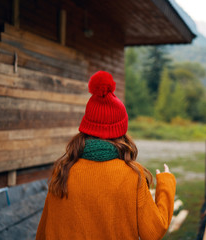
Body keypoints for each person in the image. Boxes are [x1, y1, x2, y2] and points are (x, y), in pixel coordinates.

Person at [36, 71, 176, 240]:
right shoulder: (133, 175)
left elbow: (43, 233)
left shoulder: (63, 170)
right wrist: (166, 185)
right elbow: (153, 232)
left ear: (86, 127)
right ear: (121, 131)